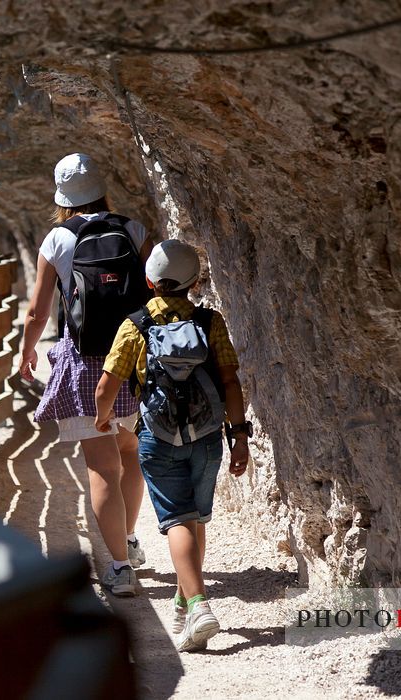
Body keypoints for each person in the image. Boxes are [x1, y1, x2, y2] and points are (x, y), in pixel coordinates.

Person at [93, 239, 251, 651]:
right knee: (195, 517)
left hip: (157, 438)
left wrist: (102, 416)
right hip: (207, 437)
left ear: (149, 281)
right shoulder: (210, 323)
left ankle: (198, 604)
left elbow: (107, 384)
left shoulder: (135, 325)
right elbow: (230, 381)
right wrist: (239, 435)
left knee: (177, 519)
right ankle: (184, 604)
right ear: (195, 281)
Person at [19, 152, 154, 597]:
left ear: (63, 198)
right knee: (129, 451)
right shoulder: (133, 230)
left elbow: (39, 310)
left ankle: (117, 567)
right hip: (133, 358)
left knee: (101, 466)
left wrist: (26, 353)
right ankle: (130, 541)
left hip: (85, 364)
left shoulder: (56, 239)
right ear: (100, 188)